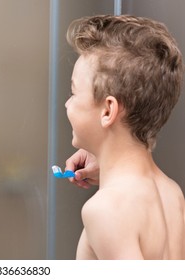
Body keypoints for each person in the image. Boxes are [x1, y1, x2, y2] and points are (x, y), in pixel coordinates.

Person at [64, 15, 185, 259]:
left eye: (73, 93)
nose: (67, 104)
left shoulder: (106, 210)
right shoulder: (171, 193)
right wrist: (104, 156)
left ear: (108, 110)